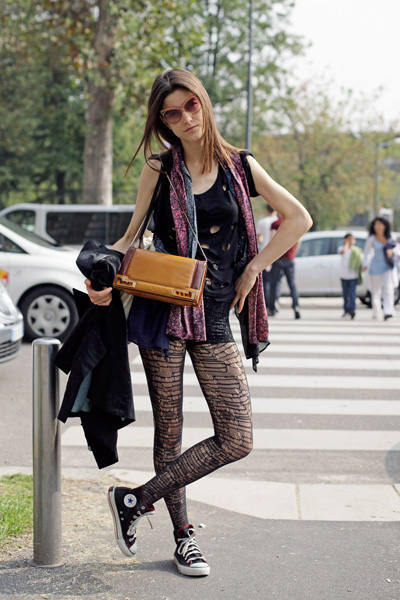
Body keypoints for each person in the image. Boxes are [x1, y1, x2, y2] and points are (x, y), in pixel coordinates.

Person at [86, 69, 312, 577]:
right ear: (163, 121)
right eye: (173, 112)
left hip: (214, 315)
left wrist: (255, 267)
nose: (186, 117)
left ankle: (133, 500)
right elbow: (130, 236)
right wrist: (100, 275)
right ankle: (183, 538)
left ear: (204, 103)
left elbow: (298, 218)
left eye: (191, 105)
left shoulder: (241, 166)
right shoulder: (160, 168)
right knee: (170, 433)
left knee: (237, 437)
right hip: (162, 312)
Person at [362, 217, 396, 321]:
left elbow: (397, 248)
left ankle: (388, 311)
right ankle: (376, 311)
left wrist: (392, 252)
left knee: (388, 289)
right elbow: (366, 252)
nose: (377, 227)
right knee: (375, 291)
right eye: (376, 224)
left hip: (387, 266)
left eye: (380, 224)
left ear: (385, 226)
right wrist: (365, 264)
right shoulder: (371, 238)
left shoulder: (391, 236)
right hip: (375, 267)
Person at [267, 216, 301, 319]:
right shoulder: (295, 223)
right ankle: (296, 306)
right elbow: (299, 241)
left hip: (278, 258)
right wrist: (293, 254)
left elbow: (272, 240)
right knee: (292, 284)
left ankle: (272, 308)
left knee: (275, 283)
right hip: (290, 259)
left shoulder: (276, 224)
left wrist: (271, 257)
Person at [256, 204, 278, 308]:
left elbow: (258, 238)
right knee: (275, 281)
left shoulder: (262, 222)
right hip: (277, 253)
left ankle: (264, 303)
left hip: (264, 252)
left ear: (266, 210)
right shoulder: (279, 221)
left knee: (265, 281)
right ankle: (274, 303)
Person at [339, 233, 363, 320]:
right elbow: (343, 252)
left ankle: (352, 310)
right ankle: (346, 310)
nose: (351, 241)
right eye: (349, 239)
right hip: (344, 275)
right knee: (345, 294)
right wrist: (346, 244)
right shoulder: (341, 248)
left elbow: (361, 260)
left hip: (353, 276)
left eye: (352, 239)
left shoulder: (357, 250)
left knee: (352, 294)